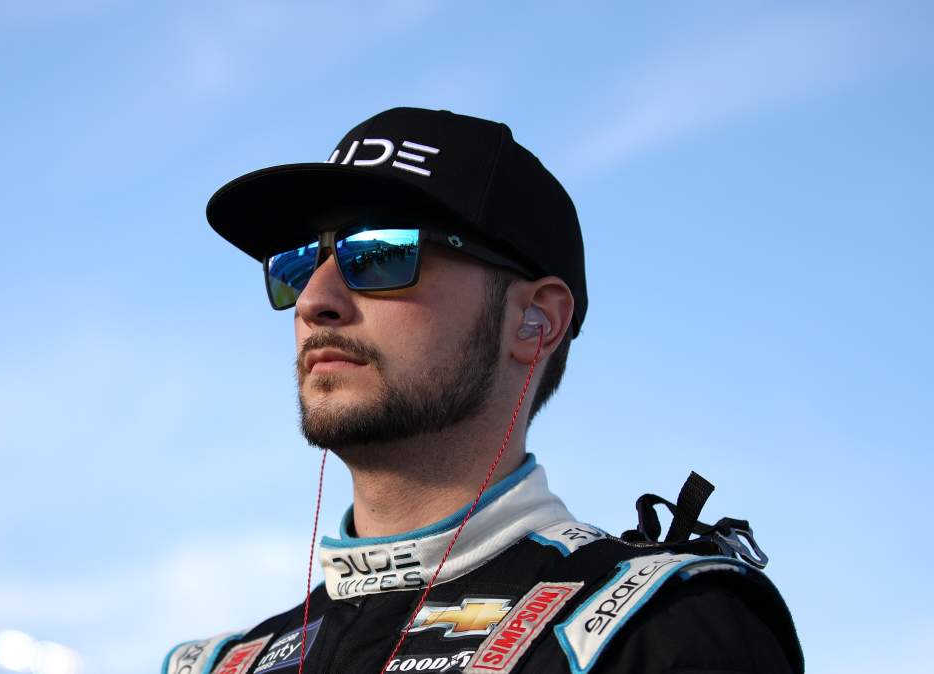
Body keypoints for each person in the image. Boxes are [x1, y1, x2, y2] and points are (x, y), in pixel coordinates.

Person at [164, 108, 803, 674]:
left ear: (535, 321)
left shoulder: (658, 627)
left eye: (379, 254)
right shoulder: (216, 665)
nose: (313, 300)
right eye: (300, 263)